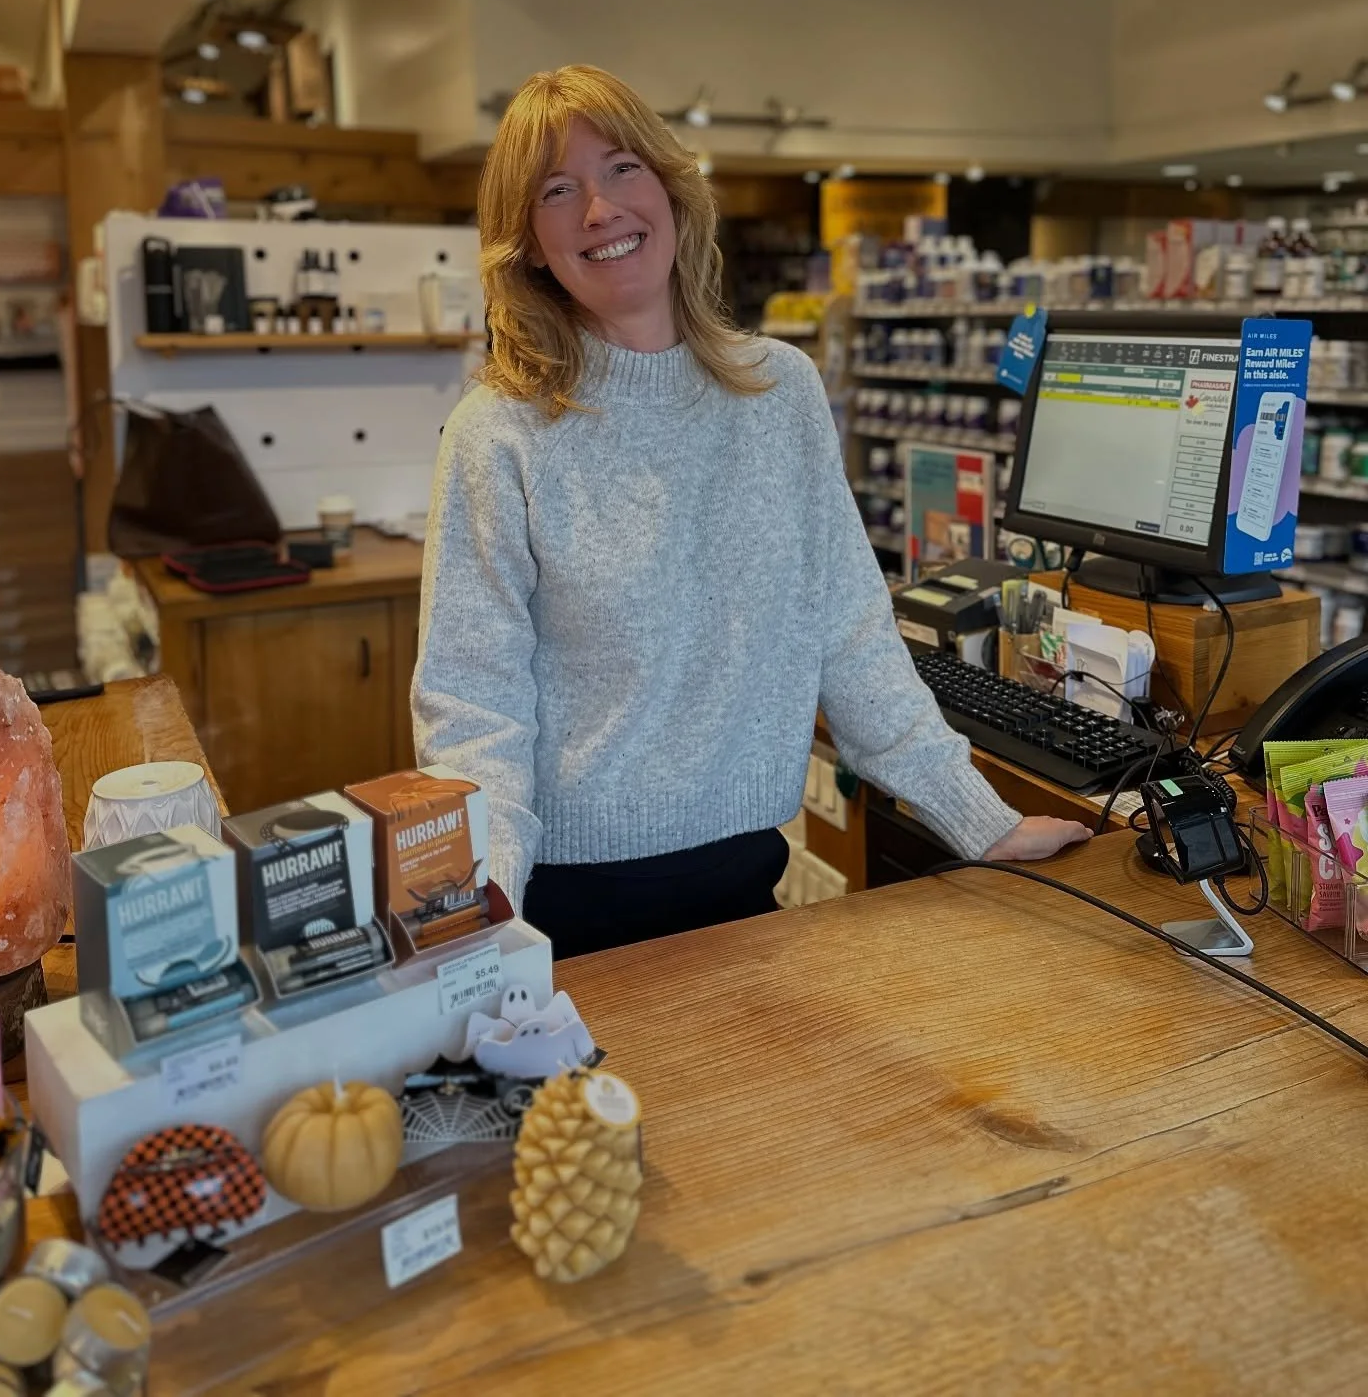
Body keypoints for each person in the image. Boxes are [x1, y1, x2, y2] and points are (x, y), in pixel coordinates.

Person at [412, 65, 1090, 958]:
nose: (600, 211)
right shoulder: (497, 431)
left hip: (748, 886)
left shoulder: (779, 390)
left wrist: (978, 820)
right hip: (562, 915)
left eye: (622, 169)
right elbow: (473, 703)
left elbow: (848, 623)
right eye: (558, 191)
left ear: (671, 189)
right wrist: (483, 920)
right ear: (529, 243)